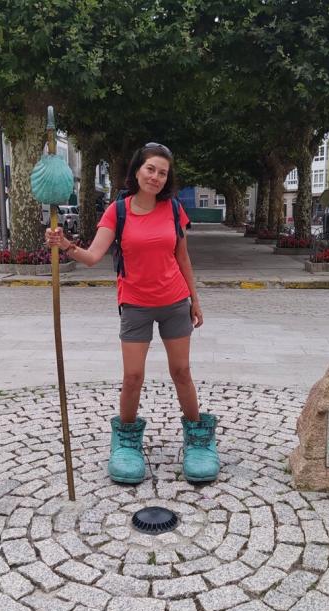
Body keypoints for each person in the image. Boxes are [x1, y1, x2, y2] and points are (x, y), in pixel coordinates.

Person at [45, 143, 219, 485]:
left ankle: (198, 439)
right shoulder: (117, 211)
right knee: (133, 377)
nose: (155, 177)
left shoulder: (173, 210)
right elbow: (94, 256)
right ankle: (125, 440)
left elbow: (182, 258)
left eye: (163, 172)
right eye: (150, 169)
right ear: (138, 170)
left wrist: (195, 300)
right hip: (135, 303)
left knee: (182, 371)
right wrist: (65, 245)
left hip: (174, 301)